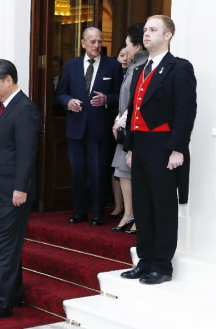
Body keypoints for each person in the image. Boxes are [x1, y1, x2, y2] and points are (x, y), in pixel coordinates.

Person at [120, 15, 196, 285]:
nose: (147, 34)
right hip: (140, 146)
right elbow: (133, 112)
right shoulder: (142, 68)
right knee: (143, 204)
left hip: (164, 146)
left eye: (154, 30)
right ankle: (145, 260)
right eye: (146, 30)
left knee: (163, 205)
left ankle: (162, 265)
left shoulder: (179, 68)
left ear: (168, 36)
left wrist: (177, 149)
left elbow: (185, 112)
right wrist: (130, 147)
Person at [0, 59, 40, 319]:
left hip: (11, 193)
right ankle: (12, 293)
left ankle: (3, 304)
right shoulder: (5, 107)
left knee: (6, 249)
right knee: (8, 248)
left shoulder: (24, 109)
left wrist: (21, 188)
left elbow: (27, 153)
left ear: (8, 80)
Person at [56, 27, 123, 226]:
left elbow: (122, 96)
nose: (96, 45)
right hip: (76, 127)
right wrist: (68, 101)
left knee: (98, 172)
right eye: (92, 41)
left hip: (99, 128)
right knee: (77, 172)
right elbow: (60, 92)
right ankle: (79, 212)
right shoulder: (70, 66)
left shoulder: (113, 66)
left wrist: (107, 99)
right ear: (83, 43)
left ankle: (98, 213)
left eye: (99, 41)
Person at [110, 23, 148, 234]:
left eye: (127, 45)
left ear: (138, 45)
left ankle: (136, 216)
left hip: (134, 126)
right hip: (125, 124)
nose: (126, 49)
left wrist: (122, 119)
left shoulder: (143, 64)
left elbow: (137, 100)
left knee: (130, 172)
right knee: (122, 171)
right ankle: (128, 213)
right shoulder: (133, 65)